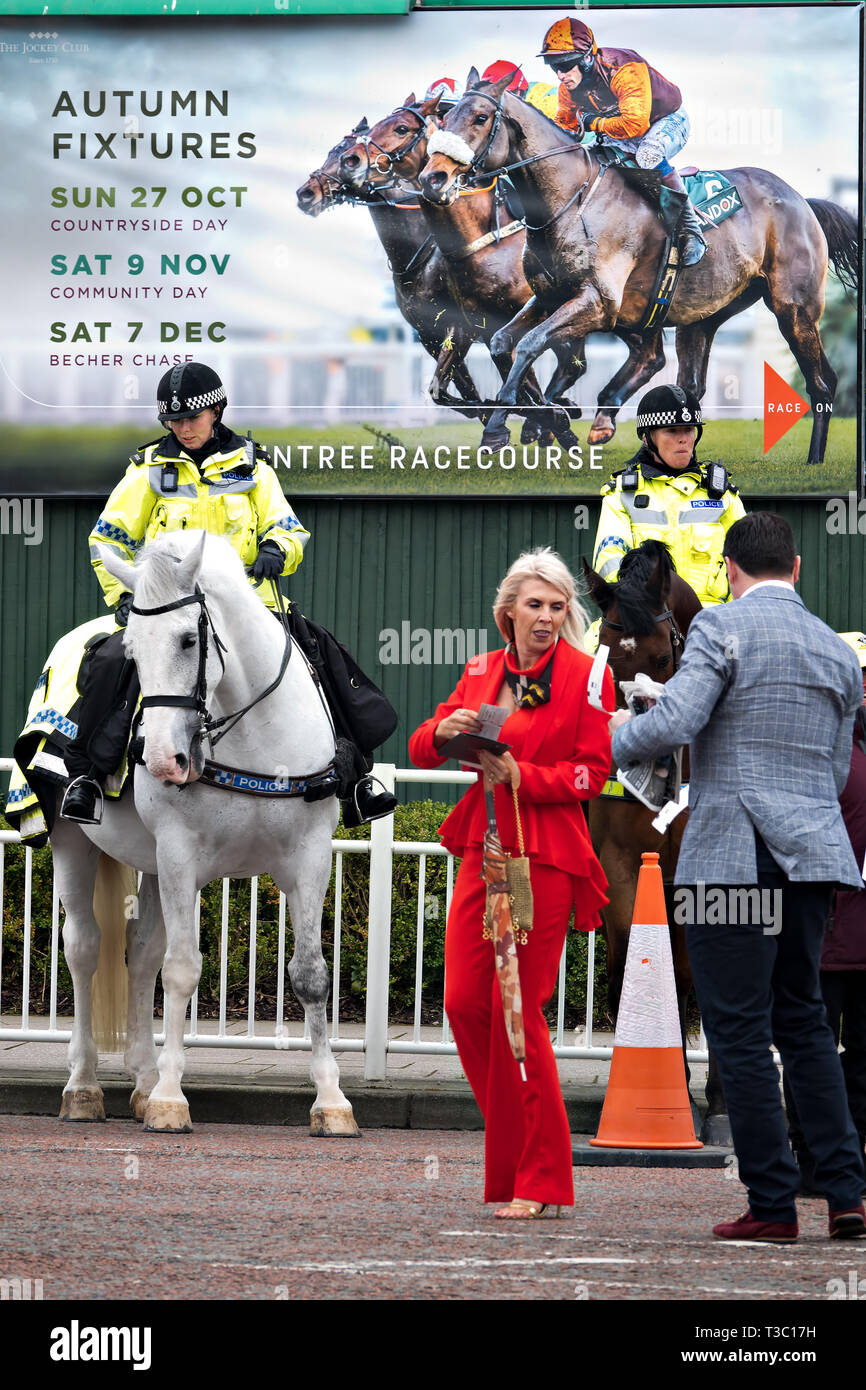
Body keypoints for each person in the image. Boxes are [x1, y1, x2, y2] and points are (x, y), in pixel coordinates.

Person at [610, 512, 866, 1242]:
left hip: (734, 856)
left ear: (729, 569)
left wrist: (610, 741)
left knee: (740, 1030)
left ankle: (773, 1205)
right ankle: (846, 1191)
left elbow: (675, 722)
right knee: (807, 1023)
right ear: (797, 566)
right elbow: (834, 756)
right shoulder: (836, 650)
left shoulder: (721, 628)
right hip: (813, 858)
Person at [61, 362, 396, 828]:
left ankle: (357, 778)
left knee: (324, 660)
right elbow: (108, 538)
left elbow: (288, 527)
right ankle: (87, 779)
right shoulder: (146, 472)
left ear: (216, 411)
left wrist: (278, 551)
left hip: (249, 608)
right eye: (173, 422)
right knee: (112, 661)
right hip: (171, 608)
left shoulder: (254, 468)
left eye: (191, 419)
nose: (182, 428)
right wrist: (124, 592)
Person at [409, 548, 613, 1219]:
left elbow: (594, 773)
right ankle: (522, 1152)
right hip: (485, 844)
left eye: (558, 606)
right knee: (467, 1002)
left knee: (517, 1012)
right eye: (535, 604)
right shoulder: (480, 670)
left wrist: (532, 778)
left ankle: (543, 1178)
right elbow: (422, 744)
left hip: (546, 854)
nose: (547, 616)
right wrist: (445, 730)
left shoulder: (587, 677)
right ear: (508, 614)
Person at [786, 631, 866, 1196]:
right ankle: (818, 1161)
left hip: (847, 934)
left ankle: (840, 1161)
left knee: (849, 1055)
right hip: (824, 930)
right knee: (812, 1048)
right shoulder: (822, 753)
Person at [537, 16, 706, 265]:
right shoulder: (568, 88)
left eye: (565, 65)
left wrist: (593, 124)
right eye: (554, 67)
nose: (561, 75)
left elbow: (635, 124)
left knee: (648, 156)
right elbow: (566, 127)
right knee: (590, 160)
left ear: (586, 59)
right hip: (626, 130)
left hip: (666, 120)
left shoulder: (624, 69)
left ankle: (691, 230)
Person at [591, 384, 746, 607]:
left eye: (689, 430)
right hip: (647, 619)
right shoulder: (621, 495)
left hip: (713, 619)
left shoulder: (723, 495)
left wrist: (731, 619)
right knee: (592, 642)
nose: (683, 439)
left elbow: (746, 564)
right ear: (647, 438)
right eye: (672, 431)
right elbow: (609, 560)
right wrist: (639, 609)